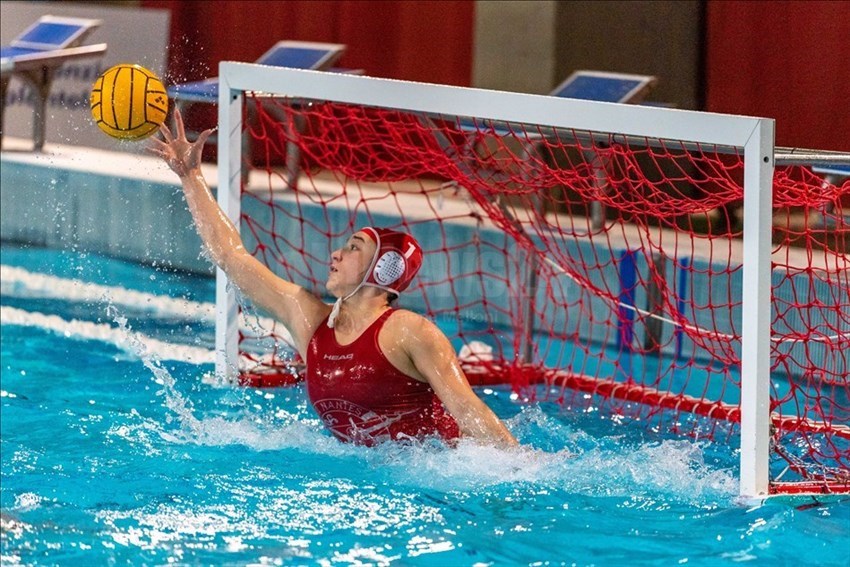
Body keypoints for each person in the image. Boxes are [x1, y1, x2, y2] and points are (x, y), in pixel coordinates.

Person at [149, 110, 517, 448]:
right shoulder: (309, 320)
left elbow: (469, 411)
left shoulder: (410, 332)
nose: (336, 254)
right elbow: (232, 257)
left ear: (384, 269)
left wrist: (519, 467)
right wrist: (190, 176)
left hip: (437, 471)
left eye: (354, 247)